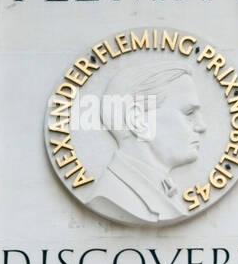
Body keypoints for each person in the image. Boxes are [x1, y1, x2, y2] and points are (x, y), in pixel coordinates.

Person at [86, 62, 206, 224]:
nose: (201, 126)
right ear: (138, 120)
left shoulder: (164, 189)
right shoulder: (110, 197)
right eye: (189, 112)